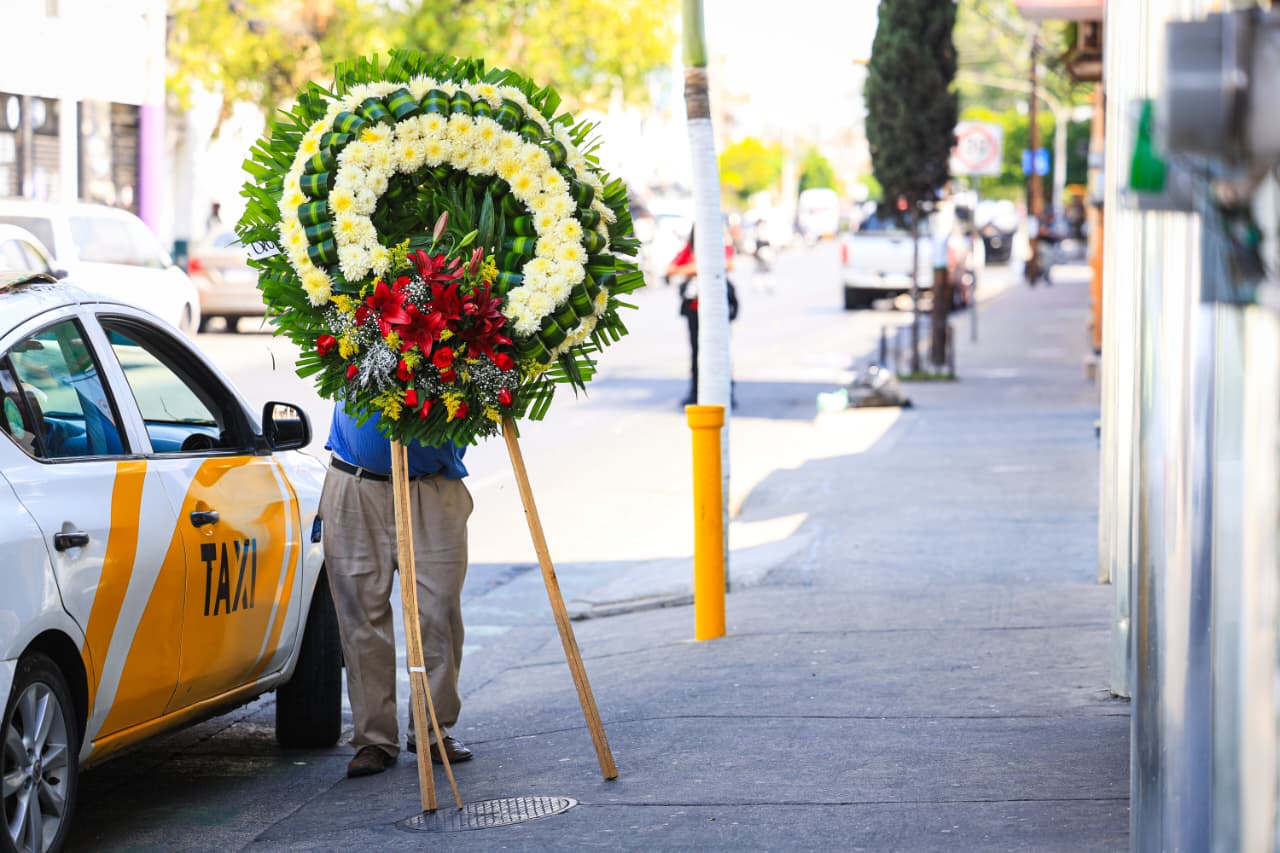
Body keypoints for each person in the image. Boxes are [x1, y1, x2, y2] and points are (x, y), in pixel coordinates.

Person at [320, 403, 475, 778]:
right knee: (359, 616)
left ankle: (433, 730)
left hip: (431, 485)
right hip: (356, 484)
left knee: (438, 612)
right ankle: (373, 739)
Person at [667, 225, 738, 407]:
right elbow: (671, 269)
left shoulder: (720, 246)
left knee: (720, 350)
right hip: (694, 308)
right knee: (696, 351)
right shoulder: (689, 249)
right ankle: (696, 391)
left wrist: (697, 268)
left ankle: (726, 391)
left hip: (717, 309)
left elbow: (729, 263)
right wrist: (699, 268)